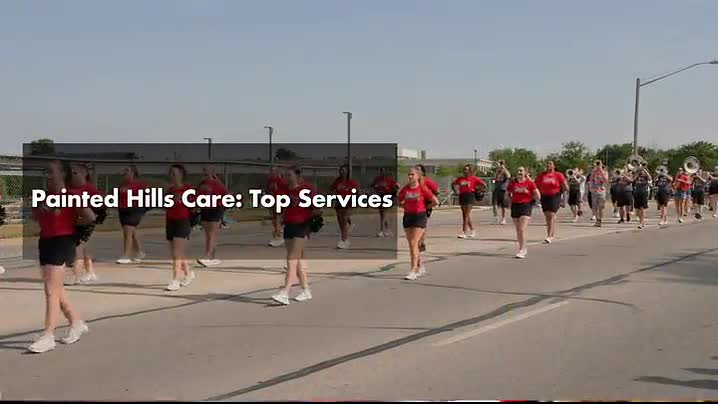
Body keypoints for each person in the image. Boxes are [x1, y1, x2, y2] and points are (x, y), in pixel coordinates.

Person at [28, 160, 95, 353]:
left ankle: (48, 335)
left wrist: (73, 226)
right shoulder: (43, 196)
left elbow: (89, 216)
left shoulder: (72, 195)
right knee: (56, 290)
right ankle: (76, 323)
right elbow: (36, 218)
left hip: (63, 241)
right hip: (46, 241)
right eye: (46, 172)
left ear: (63, 174)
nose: (48, 175)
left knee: (50, 290)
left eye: (52, 172)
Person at [272, 166, 320, 305]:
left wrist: (308, 221)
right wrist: (278, 225)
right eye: (286, 175)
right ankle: (305, 290)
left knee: (291, 259)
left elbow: (317, 209)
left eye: (289, 175)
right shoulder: (286, 190)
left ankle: (285, 292)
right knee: (297, 261)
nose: (287, 177)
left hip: (302, 226)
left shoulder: (307, 189)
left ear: (298, 175)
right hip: (289, 225)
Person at [399, 166, 439, 280]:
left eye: (412, 174)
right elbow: (399, 201)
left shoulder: (422, 188)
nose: (410, 176)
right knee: (412, 244)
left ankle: (413, 270)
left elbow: (436, 201)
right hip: (408, 217)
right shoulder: (405, 189)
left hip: (420, 217)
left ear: (418, 176)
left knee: (413, 242)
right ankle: (421, 266)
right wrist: (404, 205)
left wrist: (427, 207)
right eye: (409, 174)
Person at [67, 163, 103, 284]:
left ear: (84, 174)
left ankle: (75, 276)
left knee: (78, 248)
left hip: (86, 222)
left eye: (75, 172)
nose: (72, 174)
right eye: (70, 172)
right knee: (84, 248)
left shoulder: (90, 189)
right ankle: (90, 272)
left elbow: (100, 207)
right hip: (73, 222)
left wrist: (90, 218)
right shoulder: (68, 188)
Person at [165, 164, 197, 291]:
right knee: (177, 253)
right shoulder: (170, 190)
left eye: (174, 173)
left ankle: (175, 280)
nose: (172, 176)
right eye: (171, 173)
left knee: (176, 253)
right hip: (170, 221)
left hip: (183, 222)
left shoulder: (188, 189)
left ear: (181, 175)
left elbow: (196, 205)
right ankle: (189, 274)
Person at [197, 166, 229, 267]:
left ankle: (207, 256)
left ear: (212, 172)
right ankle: (212, 257)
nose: (205, 172)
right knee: (209, 235)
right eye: (204, 170)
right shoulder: (201, 184)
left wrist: (222, 209)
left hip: (215, 209)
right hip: (205, 209)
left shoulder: (217, 184)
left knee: (211, 234)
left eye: (207, 170)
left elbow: (226, 195)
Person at [116, 165, 148, 264]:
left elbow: (146, 198)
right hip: (123, 210)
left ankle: (126, 255)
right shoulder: (121, 185)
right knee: (131, 232)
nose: (124, 172)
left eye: (127, 170)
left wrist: (142, 209)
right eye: (124, 170)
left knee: (127, 232)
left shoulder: (139, 185)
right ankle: (139, 252)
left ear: (133, 173)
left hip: (134, 210)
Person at [507, 166, 540, 259]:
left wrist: (534, 202)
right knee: (518, 230)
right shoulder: (513, 183)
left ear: (525, 172)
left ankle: (522, 249)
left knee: (522, 229)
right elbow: (507, 193)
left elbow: (537, 195)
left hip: (526, 206)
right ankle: (523, 247)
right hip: (515, 206)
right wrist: (509, 202)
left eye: (521, 171)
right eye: (518, 170)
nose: (519, 172)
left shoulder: (530, 183)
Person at [535, 160, 567, 243]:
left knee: (551, 214)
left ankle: (549, 236)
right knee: (547, 216)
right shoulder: (542, 175)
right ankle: (551, 233)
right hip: (544, 196)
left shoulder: (558, 175)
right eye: (547, 164)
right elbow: (536, 186)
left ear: (554, 166)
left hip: (555, 195)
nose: (548, 165)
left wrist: (563, 198)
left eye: (550, 164)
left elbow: (565, 187)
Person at [329, 165, 359, 249]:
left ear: (347, 172)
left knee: (344, 218)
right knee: (340, 220)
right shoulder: (337, 181)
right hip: (339, 202)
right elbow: (331, 189)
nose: (341, 172)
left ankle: (343, 240)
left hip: (349, 202)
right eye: (340, 170)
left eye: (343, 170)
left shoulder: (351, 182)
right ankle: (346, 239)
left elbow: (357, 191)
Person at [452, 164, 486, 239]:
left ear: (470, 170)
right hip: (462, 195)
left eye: (466, 169)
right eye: (464, 169)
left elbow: (484, 185)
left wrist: (478, 189)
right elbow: (453, 183)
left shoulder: (473, 178)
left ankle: (464, 232)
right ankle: (472, 229)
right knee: (464, 214)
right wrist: (456, 191)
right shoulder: (460, 178)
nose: (465, 171)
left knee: (466, 214)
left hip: (470, 195)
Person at [416, 164, 439, 252]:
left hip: (426, 204)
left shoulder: (427, 181)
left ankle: (421, 243)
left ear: (422, 171)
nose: (416, 171)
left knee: (422, 225)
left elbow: (437, 191)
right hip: (416, 205)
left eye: (418, 169)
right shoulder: (413, 181)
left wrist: (431, 201)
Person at [370, 167, 398, 237]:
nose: (382, 172)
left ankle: (381, 230)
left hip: (386, 197)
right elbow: (373, 185)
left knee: (384, 213)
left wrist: (394, 192)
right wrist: (374, 190)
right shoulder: (377, 179)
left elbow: (396, 186)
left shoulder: (389, 180)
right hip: (379, 197)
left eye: (383, 171)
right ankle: (388, 230)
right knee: (382, 214)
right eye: (381, 171)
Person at [267, 167, 288, 247]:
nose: (272, 173)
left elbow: (287, 190)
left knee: (277, 219)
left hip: (280, 201)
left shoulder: (282, 181)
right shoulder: (271, 180)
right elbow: (271, 190)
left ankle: (278, 237)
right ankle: (278, 234)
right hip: (274, 201)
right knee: (275, 219)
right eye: (271, 171)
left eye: (274, 171)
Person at [589, 160, 609, 227]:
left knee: (601, 207)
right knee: (595, 207)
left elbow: (605, 180)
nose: (598, 166)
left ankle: (600, 220)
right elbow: (591, 180)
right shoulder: (593, 172)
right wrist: (591, 188)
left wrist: (601, 171)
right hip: (594, 191)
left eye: (599, 164)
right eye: (597, 165)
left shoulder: (605, 172)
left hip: (601, 191)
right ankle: (597, 220)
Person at [632, 162, 652, 229]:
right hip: (637, 191)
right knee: (637, 208)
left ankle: (641, 222)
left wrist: (644, 169)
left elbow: (650, 178)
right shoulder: (637, 173)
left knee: (642, 207)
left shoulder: (646, 175)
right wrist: (639, 171)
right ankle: (641, 219)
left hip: (644, 192)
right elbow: (634, 179)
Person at [492, 161, 510, 225]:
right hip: (496, 189)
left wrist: (503, 168)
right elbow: (494, 178)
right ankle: (496, 218)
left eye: (500, 164)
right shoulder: (497, 172)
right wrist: (497, 170)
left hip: (503, 190)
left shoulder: (505, 172)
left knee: (503, 206)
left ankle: (503, 218)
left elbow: (509, 176)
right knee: (495, 204)